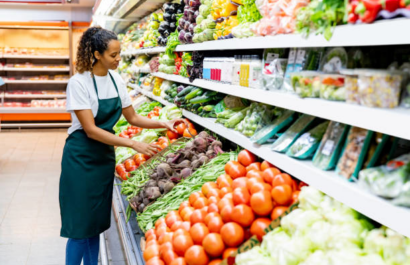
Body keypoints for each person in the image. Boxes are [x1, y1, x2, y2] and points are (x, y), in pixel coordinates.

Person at [59, 26, 185, 265]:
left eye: (119, 54)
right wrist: (132, 143)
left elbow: (133, 118)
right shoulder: (78, 83)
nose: (118, 59)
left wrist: (163, 122)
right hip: (80, 158)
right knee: (79, 226)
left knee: (95, 224)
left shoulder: (116, 80)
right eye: (113, 55)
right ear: (97, 54)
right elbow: (91, 129)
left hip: (104, 158)